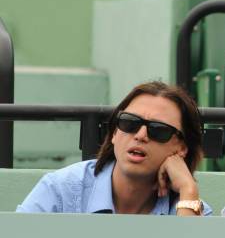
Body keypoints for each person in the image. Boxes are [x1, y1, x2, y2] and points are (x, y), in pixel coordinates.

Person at [17, 81, 212, 216]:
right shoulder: (61, 190)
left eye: (158, 130)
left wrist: (187, 189)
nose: (141, 135)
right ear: (114, 134)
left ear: (181, 148)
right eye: (129, 123)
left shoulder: (189, 206)